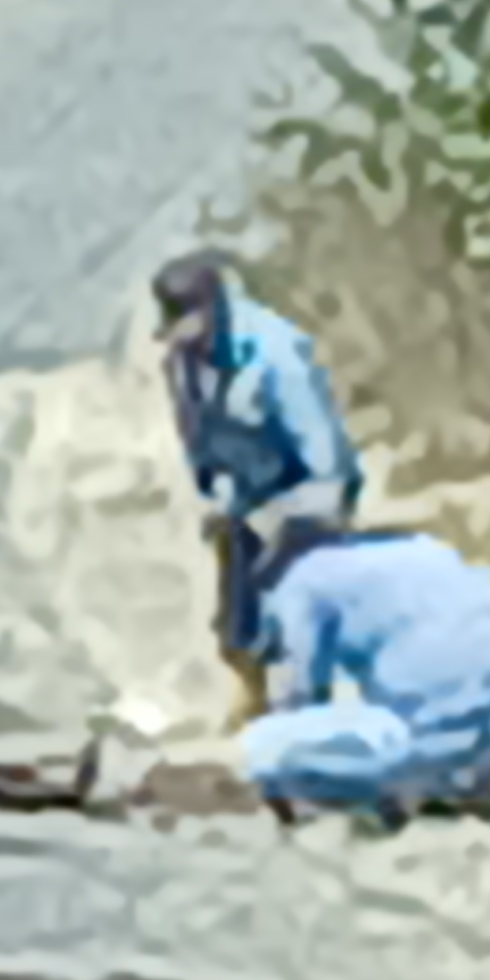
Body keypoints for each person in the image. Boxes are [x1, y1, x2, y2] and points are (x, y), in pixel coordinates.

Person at [153, 250, 362, 709]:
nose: (187, 344)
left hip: (307, 503)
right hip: (244, 504)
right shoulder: (180, 363)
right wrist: (218, 502)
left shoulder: (277, 354)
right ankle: (253, 713)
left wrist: (283, 521)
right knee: (235, 638)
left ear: (216, 309)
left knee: (296, 633)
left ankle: (309, 720)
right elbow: (200, 447)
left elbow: (329, 470)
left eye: (195, 327)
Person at [239, 516, 490, 822]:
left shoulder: (303, 580)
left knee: (261, 744)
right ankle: (450, 786)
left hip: (434, 746)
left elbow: (301, 699)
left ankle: (395, 792)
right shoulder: (424, 549)